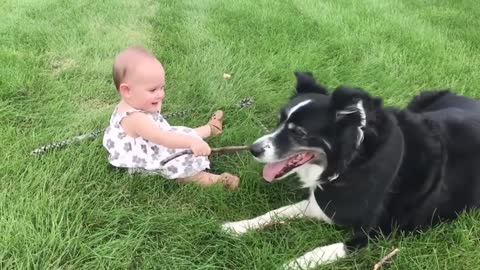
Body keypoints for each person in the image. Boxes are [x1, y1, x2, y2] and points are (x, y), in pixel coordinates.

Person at [102, 46, 239, 189]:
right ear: (127, 90)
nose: (161, 94)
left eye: (162, 88)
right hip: (150, 150)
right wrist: (192, 143)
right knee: (177, 165)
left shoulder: (135, 100)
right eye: (153, 90)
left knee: (181, 133)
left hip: (152, 137)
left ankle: (211, 129)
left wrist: (153, 101)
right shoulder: (136, 118)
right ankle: (214, 181)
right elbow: (163, 138)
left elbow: (159, 124)